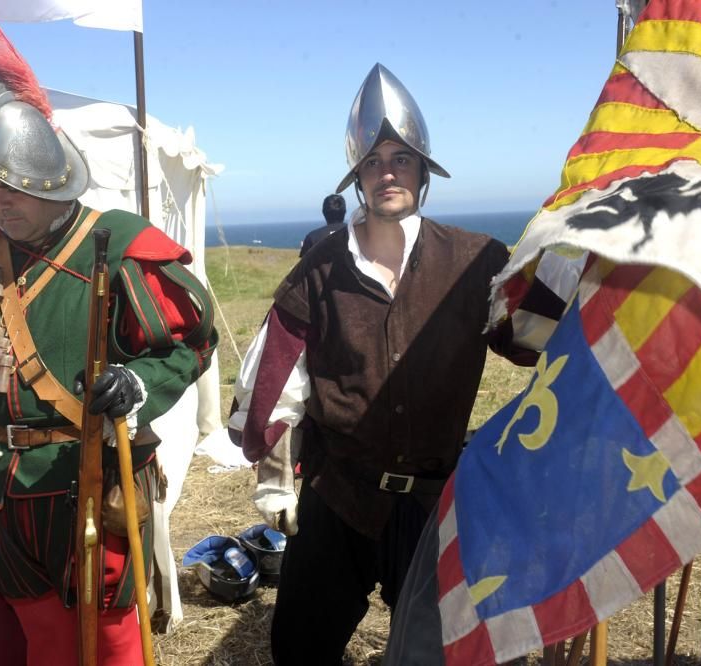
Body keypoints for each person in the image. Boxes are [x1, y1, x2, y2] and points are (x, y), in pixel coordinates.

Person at [0, 20, 216, 666]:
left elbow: (187, 341)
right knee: (40, 644)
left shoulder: (119, 247)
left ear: (47, 182)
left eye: (7, 186)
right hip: (3, 500)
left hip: (92, 488)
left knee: (115, 644)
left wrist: (139, 387)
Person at [228, 63, 534, 664]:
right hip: (339, 493)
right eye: (373, 161)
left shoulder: (475, 261)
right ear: (357, 179)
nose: (387, 171)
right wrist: (273, 479)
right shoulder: (319, 272)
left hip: (431, 500)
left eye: (400, 159)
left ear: (422, 169)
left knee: (444, 651)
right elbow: (272, 386)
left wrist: (592, 279)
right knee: (299, 647)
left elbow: (529, 338)